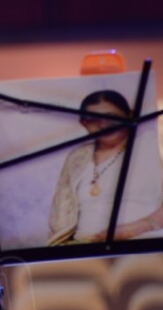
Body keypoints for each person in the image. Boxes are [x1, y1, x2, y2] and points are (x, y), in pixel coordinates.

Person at [47, 89, 163, 245]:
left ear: (130, 115)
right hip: (84, 247)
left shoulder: (153, 144)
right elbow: (60, 214)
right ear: (84, 124)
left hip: (144, 244)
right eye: (94, 119)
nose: (103, 124)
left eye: (112, 117)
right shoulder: (77, 157)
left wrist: (133, 229)